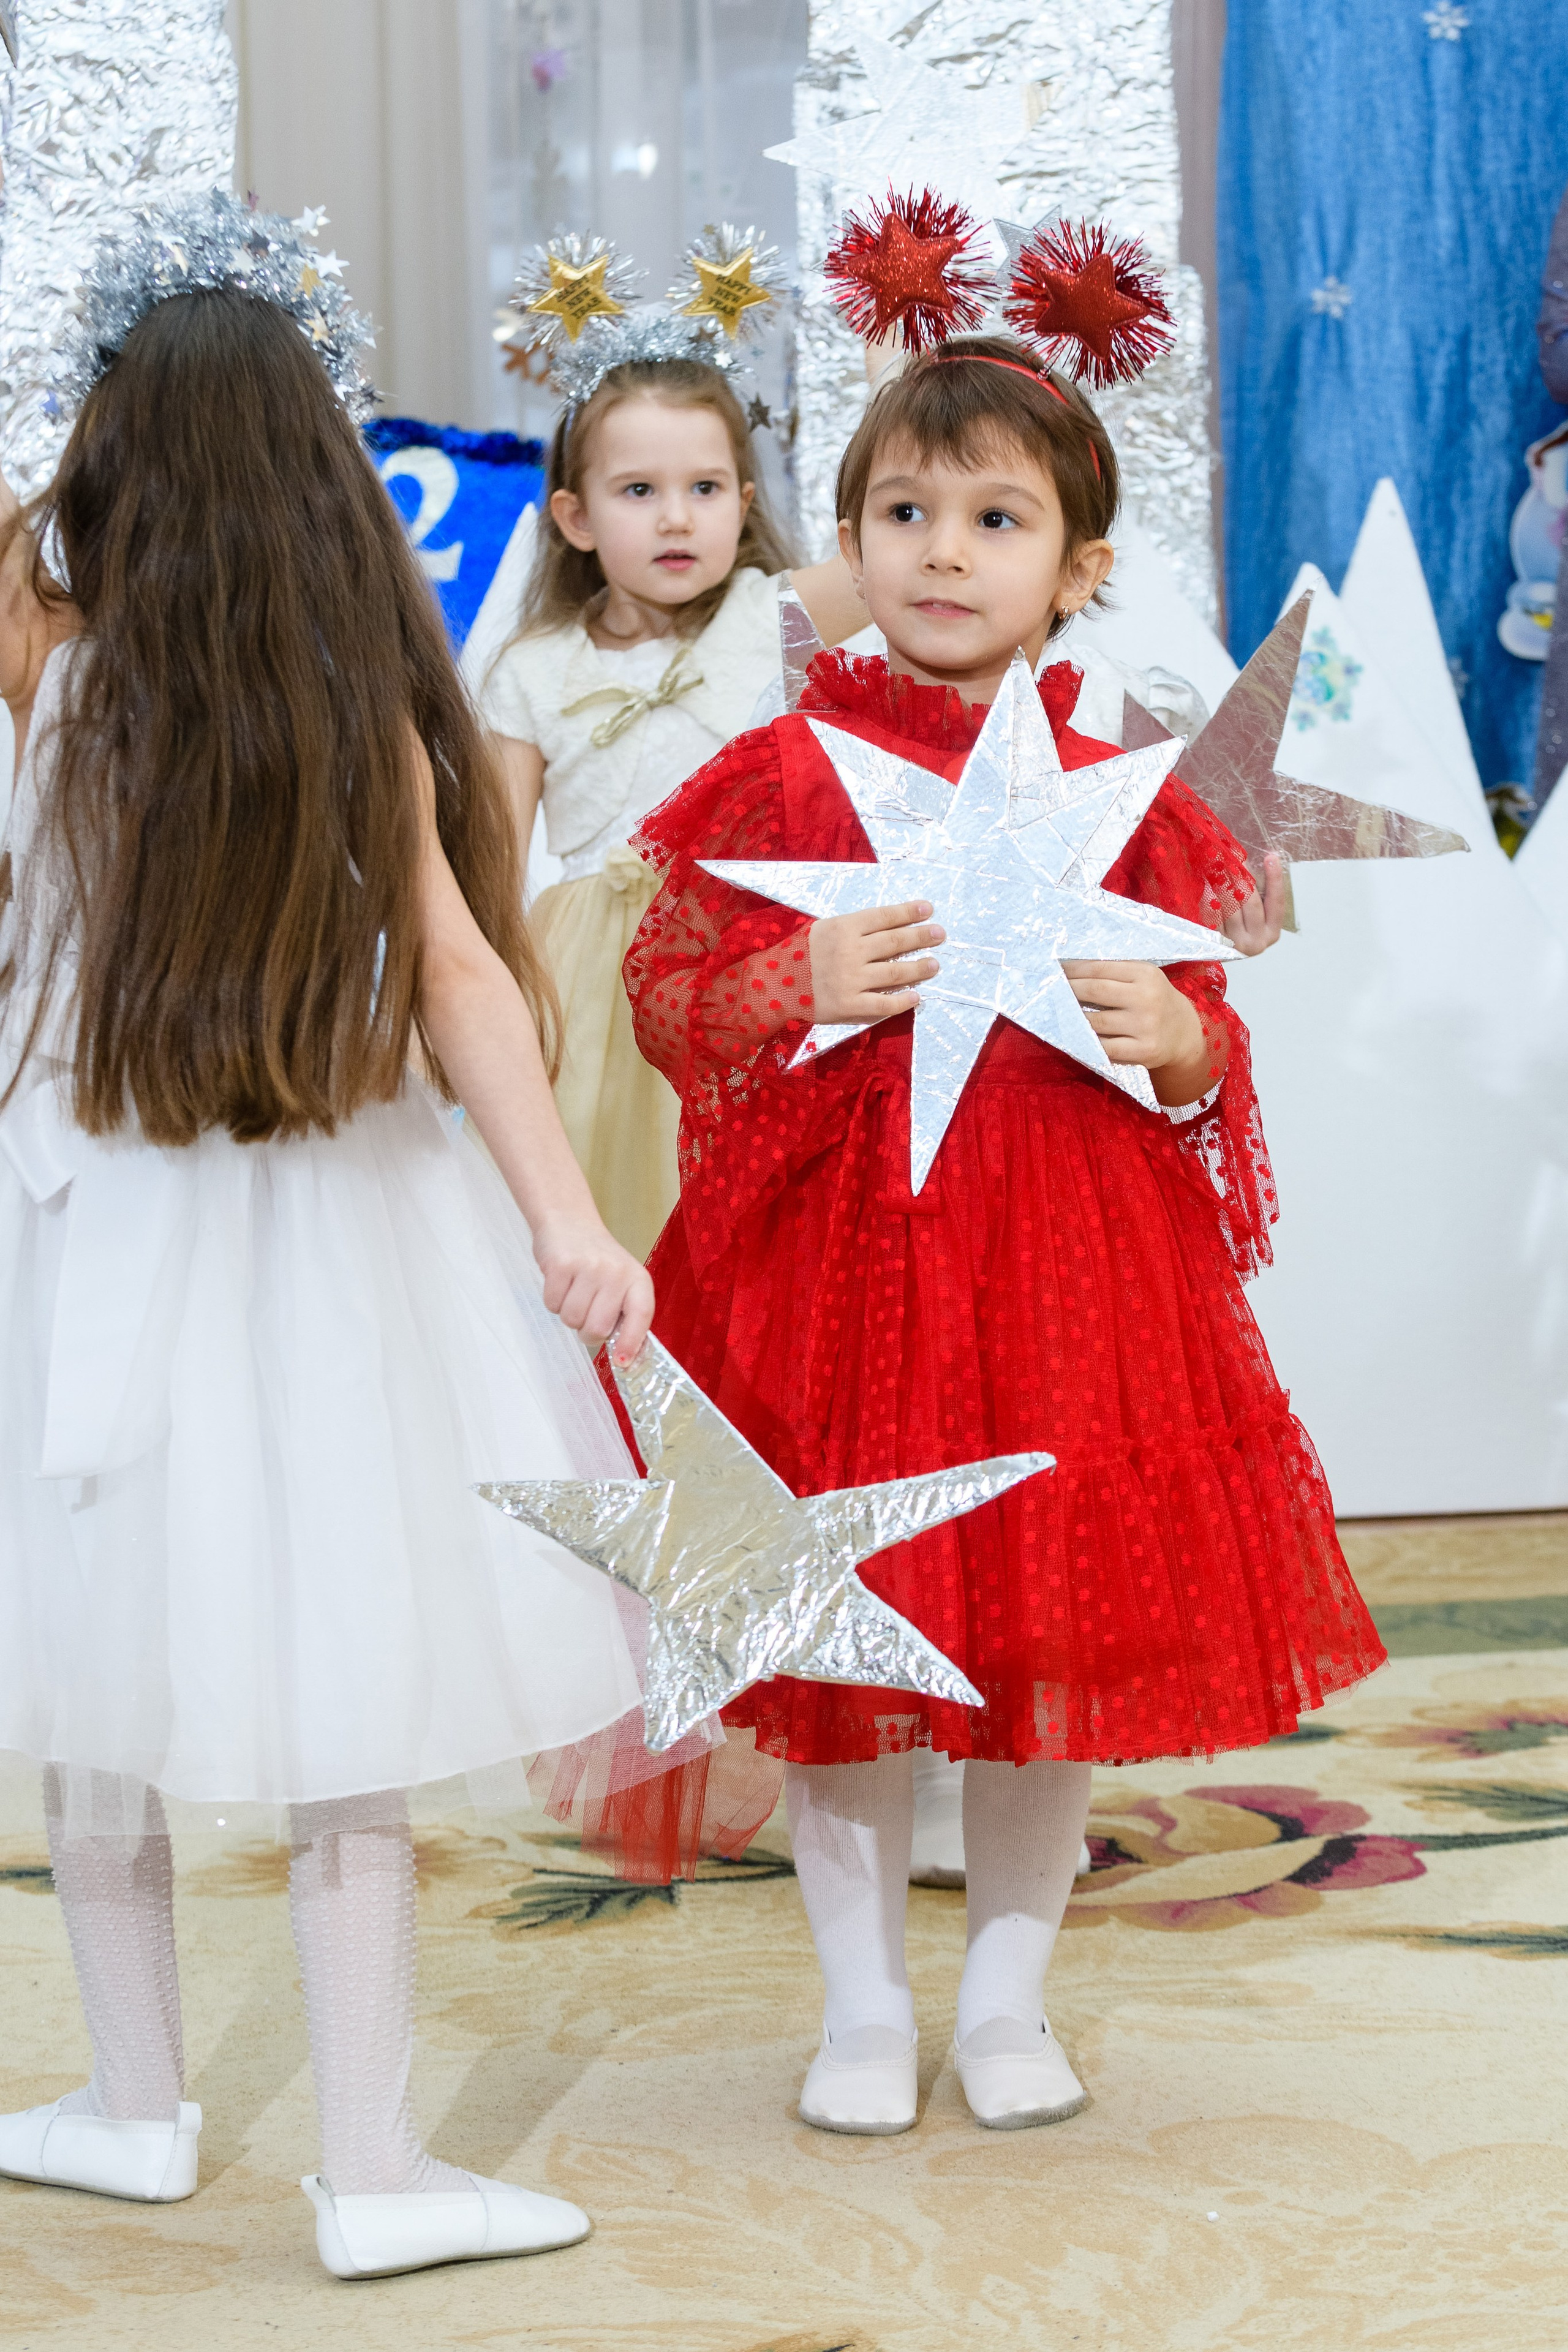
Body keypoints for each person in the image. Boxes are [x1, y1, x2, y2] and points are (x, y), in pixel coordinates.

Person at [620, 332, 1383, 2136]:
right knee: (840, 1642)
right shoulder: (785, 776)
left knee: (1046, 1658)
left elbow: (1206, 1040)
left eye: (994, 518)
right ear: (851, 540)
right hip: (843, 1290)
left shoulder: (1134, 793)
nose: (943, 551)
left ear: (1081, 568)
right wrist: (786, 975)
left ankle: (1009, 1998)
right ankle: (861, 2008)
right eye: (904, 513)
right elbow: (673, 997)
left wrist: (1188, 1042)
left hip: (1068, 1283)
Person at [0, 200, 654, 2280]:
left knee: (92, 1661)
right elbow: (463, 980)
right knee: (344, 1671)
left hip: (88, 1214)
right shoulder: (356, 702)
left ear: (107, 463)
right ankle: (372, 2170)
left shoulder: (61, 684)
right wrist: (568, 1226)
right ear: (317, 477)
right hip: (341, 1228)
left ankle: (131, 2103)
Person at [478, 353, 864, 1259]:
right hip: (595, 987)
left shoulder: (773, 616)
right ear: (574, 516)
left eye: (706, 487)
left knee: (759, 1235)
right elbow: (486, 878)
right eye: (639, 490)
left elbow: (884, 547)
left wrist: (891, 368)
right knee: (616, 1212)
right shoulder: (532, 670)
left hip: (747, 969)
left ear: (744, 499)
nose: (678, 516)